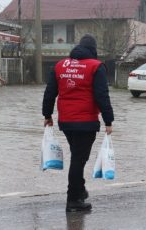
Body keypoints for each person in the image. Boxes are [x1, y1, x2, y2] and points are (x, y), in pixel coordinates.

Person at [42, 34, 114, 212]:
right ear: (93, 50)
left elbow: (50, 91)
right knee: (78, 160)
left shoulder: (60, 65)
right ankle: (73, 199)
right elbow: (102, 95)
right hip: (86, 121)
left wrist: (47, 114)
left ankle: (80, 190)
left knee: (77, 157)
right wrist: (108, 120)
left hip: (65, 121)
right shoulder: (96, 67)